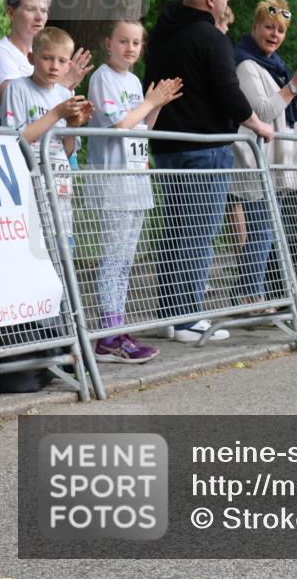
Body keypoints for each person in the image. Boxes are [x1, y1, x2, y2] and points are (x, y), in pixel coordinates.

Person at [144, 0, 275, 344]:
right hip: (204, 149)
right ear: (212, 0)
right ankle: (188, 320)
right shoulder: (211, 37)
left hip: (167, 146)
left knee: (174, 232)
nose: (229, 2)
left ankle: (170, 314)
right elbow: (228, 93)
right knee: (198, 232)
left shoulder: (162, 35)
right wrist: (259, 125)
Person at [86, 20, 184, 363]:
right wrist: (149, 101)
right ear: (108, 43)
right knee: (114, 258)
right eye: (123, 41)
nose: (130, 48)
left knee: (126, 259)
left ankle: (118, 325)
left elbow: (143, 127)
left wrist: (156, 104)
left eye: (136, 43)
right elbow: (120, 125)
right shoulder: (103, 77)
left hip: (136, 178)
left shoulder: (133, 80)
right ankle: (107, 333)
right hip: (114, 181)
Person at [231, 0, 297, 311]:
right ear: (255, 27)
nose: (274, 34)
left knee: (267, 231)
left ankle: (250, 294)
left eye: (280, 30)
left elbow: (294, 111)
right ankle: (248, 296)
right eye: (269, 27)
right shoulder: (246, 64)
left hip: (278, 160)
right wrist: (295, 83)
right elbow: (263, 110)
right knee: (260, 230)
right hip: (257, 161)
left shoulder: (278, 66)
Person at [0, 27, 93, 250]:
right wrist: (57, 114)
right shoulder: (17, 89)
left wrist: (71, 127)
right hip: (28, 186)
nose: (54, 66)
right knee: (34, 251)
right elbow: (15, 142)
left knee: (63, 252)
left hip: (59, 188)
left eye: (62, 61)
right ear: (32, 58)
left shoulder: (65, 95)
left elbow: (68, 150)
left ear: (69, 65)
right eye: (47, 58)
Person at [0, 0, 92, 100]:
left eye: (43, 11)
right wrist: (64, 82)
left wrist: (68, 87)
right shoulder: (1, 53)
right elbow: (12, 100)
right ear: (11, 13)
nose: (39, 18)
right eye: (31, 9)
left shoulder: (51, 56)